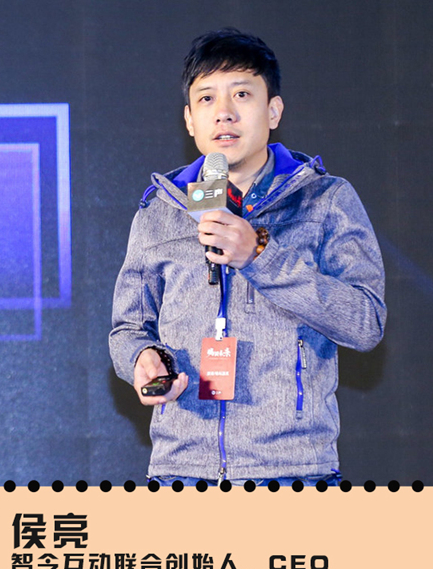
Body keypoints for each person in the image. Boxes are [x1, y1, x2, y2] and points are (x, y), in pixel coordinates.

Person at [109, 28, 386, 486]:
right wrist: (142, 358)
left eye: (241, 94)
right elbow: (128, 329)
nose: (224, 112)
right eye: (206, 99)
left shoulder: (326, 201)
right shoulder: (159, 212)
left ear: (273, 111)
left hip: (295, 473)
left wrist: (260, 255)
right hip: (181, 473)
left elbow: (365, 322)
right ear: (189, 120)